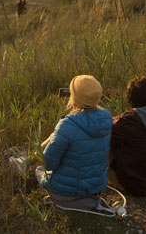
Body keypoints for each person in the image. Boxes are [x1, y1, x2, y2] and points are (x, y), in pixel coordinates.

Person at [35, 75, 112, 210]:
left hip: (65, 192)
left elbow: (48, 164)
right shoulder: (106, 118)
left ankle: (64, 201)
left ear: (74, 97)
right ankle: (87, 201)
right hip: (95, 188)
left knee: (39, 170)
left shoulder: (67, 125)